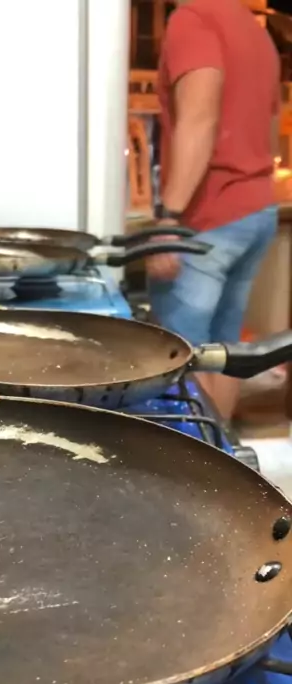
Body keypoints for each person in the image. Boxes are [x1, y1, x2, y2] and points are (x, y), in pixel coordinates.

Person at [146, 0, 280, 419]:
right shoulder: (255, 30)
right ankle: (220, 450)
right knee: (226, 353)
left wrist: (169, 218)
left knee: (185, 355)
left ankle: (196, 456)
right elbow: (270, 130)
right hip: (256, 210)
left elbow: (200, 118)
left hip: (208, 218)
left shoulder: (194, 20)